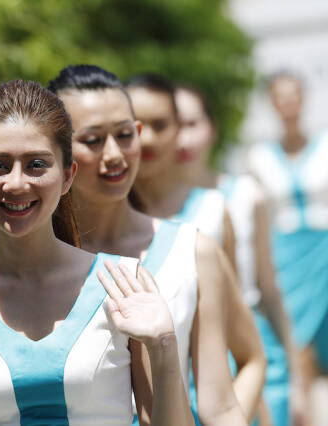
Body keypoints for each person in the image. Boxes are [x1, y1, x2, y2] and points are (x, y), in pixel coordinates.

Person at [0, 79, 193, 425]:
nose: (16, 183)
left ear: (68, 175)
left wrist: (164, 347)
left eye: (37, 164)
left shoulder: (124, 284)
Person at [47, 64, 248, 425]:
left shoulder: (193, 251)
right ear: (55, 150)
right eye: (92, 140)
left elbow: (220, 406)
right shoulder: (35, 260)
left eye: (124, 135)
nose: (114, 155)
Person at [124, 73, 267, 422]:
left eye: (161, 124)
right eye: (135, 127)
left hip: (210, 399)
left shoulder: (213, 212)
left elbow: (239, 330)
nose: (149, 138)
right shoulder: (100, 225)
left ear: (179, 131)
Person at [175, 83, 305, 425]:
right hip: (182, 364)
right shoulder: (139, 210)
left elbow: (270, 290)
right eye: (168, 125)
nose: (181, 138)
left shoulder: (246, 194)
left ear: (212, 127)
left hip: (254, 351)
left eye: (191, 124)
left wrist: (300, 383)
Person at [247, 72, 328, 406]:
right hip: (286, 255)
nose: (289, 104)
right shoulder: (259, 157)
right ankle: (302, 409)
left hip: (324, 249)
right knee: (296, 336)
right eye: (281, 97)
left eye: (294, 95)